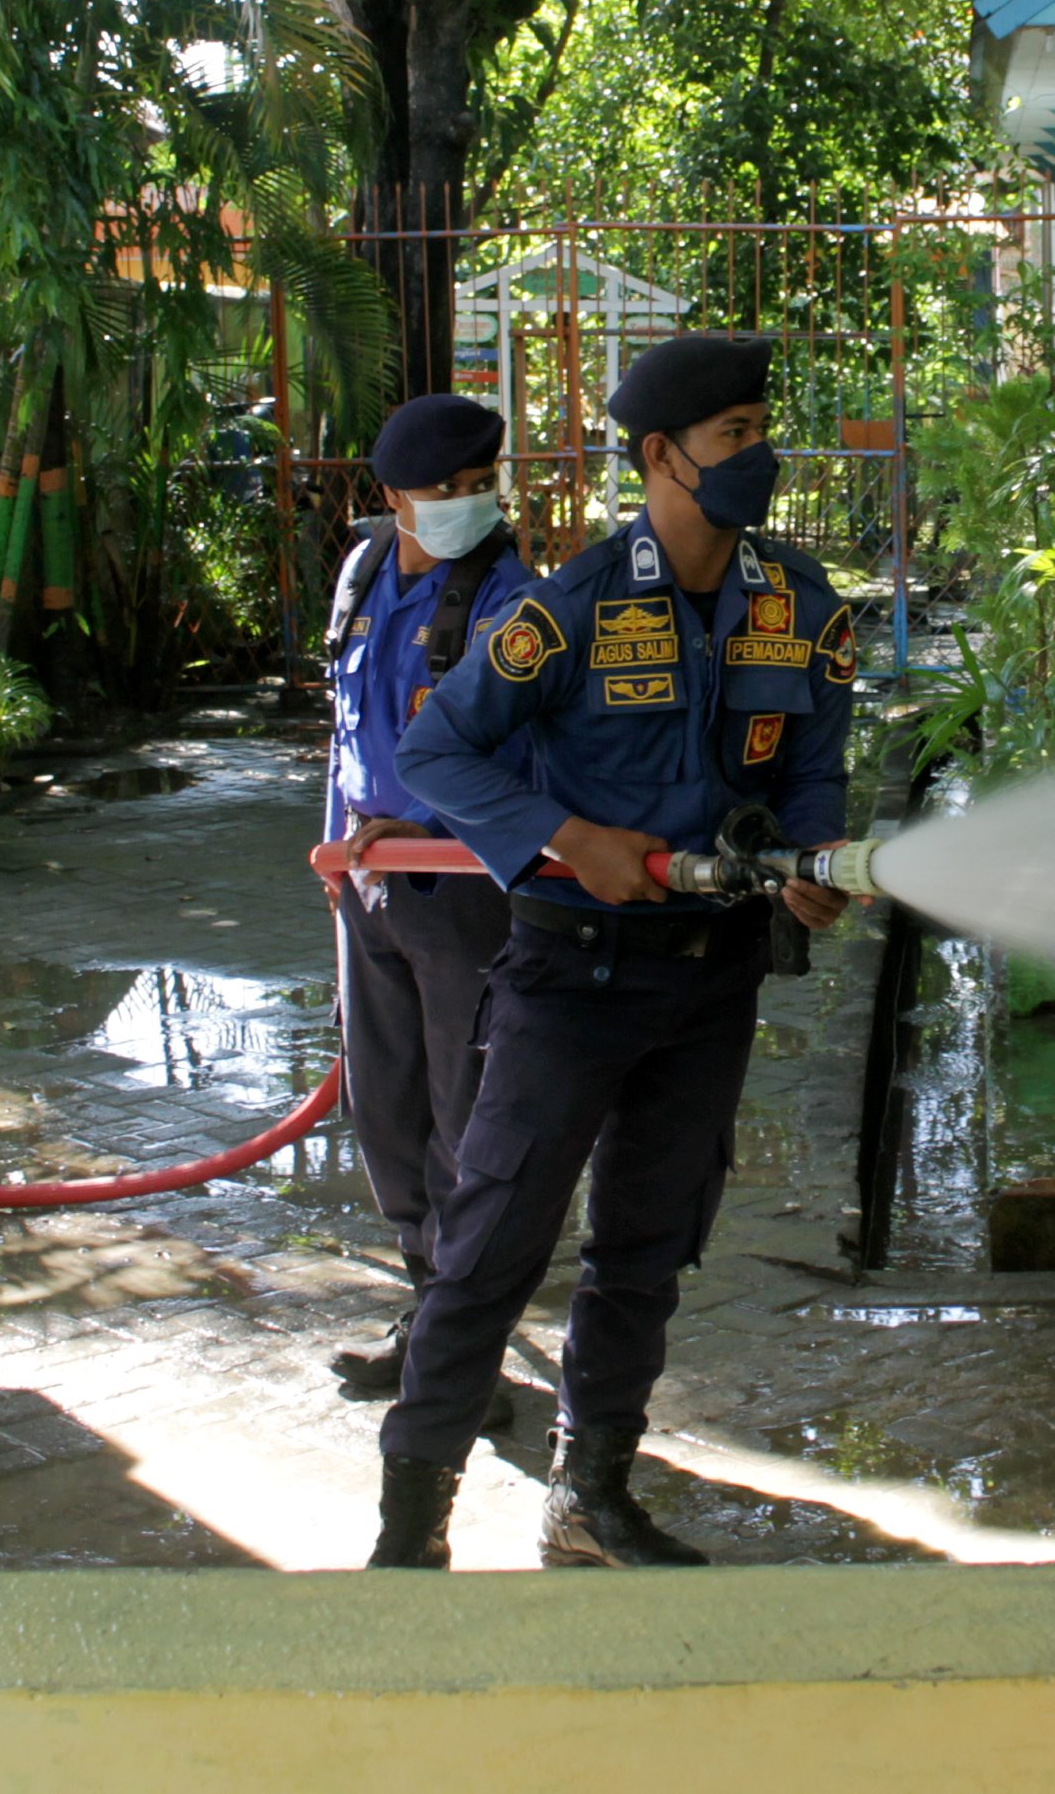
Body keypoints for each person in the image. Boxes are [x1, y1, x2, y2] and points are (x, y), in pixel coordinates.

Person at [364, 332, 861, 1570]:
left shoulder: (801, 609)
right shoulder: (568, 608)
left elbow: (813, 775)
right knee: (489, 1247)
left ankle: (591, 1497)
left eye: (761, 429)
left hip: (711, 979)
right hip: (568, 977)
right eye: (736, 435)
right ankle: (407, 1532)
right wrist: (563, 835)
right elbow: (437, 754)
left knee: (646, 1248)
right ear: (660, 456)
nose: (763, 456)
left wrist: (810, 868)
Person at [319, 393, 540, 1401]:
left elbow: (526, 758)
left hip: (461, 896)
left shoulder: (509, 603)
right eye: (442, 491)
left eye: (477, 485)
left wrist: (427, 829)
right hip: (365, 892)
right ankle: (427, 1318)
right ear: (389, 497)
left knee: (466, 1126)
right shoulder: (362, 578)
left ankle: (463, 1360)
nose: (466, 504)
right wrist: (341, 848)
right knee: (387, 1111)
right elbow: (348, 731)